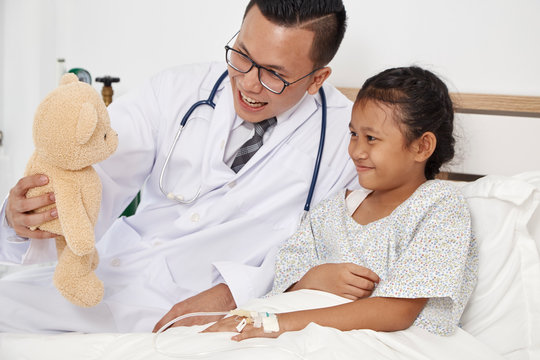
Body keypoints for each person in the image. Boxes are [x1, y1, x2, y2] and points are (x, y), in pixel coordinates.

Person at [0, 0, 376, 333]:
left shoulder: (349, 142)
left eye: (273, 74)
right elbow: (94, 172)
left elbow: (326, 249)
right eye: (242, 54)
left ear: (317, 79)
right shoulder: (176, 90)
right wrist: (21, 219)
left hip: (208, 306)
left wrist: (231, 293)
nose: (247, 82)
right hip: (113, 273)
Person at [204, 66, 478, 340]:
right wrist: (314, 278)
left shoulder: (439, 206)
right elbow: (283, 281)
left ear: (421, 147)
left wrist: (276, 324)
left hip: (390, 343)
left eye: (371, 138)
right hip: (304, 334)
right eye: (353, 134)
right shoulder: (333, 210)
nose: (357, 151)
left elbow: (396, 313)